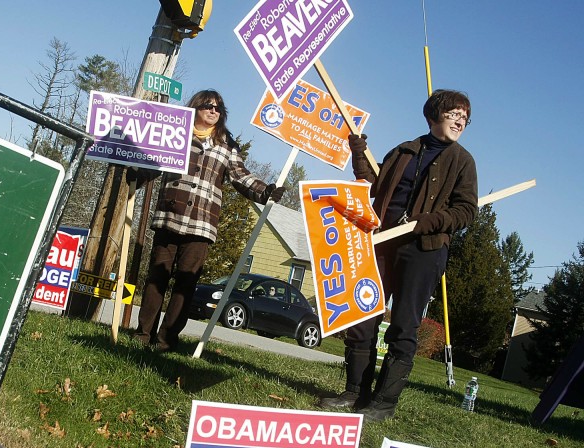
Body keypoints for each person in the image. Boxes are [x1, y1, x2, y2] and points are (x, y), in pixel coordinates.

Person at [321, 89, 478, 421]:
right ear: (434, 115)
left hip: (423, 251)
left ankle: (384, 403)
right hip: (383, 241)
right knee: (363, 315)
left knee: (404, 323)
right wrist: (359, 152)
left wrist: (428, 222)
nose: (460, 120)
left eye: (465, 116)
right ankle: (354, 392)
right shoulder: (405, 150)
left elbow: (466, 212)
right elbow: (373, 184)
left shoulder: (463, 161)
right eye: (454, 114)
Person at [133, 89, 284, 352]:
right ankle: (143, 334)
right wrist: (136, 168)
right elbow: (155, 160)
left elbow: (241, 176)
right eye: (208, 106)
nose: (213, 111)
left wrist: (265, 191)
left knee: (185, 283)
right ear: (196, 107)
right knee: (157, 278)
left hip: (201, 224)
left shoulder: (227, 146)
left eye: (219, 108)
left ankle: (166, 340)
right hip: (169, 216)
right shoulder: (176, 133)